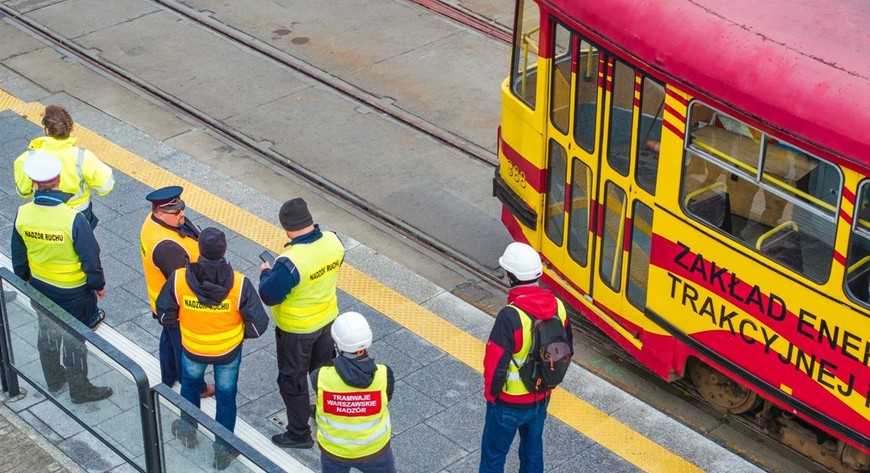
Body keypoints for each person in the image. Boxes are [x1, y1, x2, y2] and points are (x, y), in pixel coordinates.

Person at [155, 227, 269, 470]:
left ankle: (188, 434)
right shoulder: (240, 284)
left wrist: (186, 325)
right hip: (227, 352)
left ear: (199, 250)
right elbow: (259, 325)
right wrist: (238, 336)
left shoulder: (178, 279)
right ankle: (223, 451)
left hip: (193, 349)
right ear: (224, 250)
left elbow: (164, 314)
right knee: (226, 398)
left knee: (189, 386)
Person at [10, 152, 112, 404]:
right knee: (75, 339)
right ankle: (80, 390)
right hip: (74, 293)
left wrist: (25, 279)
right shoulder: (72, 218)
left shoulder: (23, 214)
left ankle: (55, 380)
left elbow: (19, 256)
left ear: (34, 183)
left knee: (46, 332)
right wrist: (98, 285)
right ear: (58, 180)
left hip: (40, 287)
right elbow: (91, 257)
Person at [479, 242, 573, 473]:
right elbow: (568, 348)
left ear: (511, 277)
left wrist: (492, 397)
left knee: (493, 455)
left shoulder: (510, 316)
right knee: (532, 453)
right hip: (542, 396)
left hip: (509, 402)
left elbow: (496, 365)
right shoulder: (558, 307)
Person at [259, 197, 345, 449]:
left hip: (297, 331)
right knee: (324, 373)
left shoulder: (289, 262)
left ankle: (298, 434)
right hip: (328, 321)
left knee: (292, 380)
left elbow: (269, 295)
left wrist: (266, 272)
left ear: (286, 228)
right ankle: (328, 413)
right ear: (310, 220)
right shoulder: (334, 241)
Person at [140, 185, 213, 397]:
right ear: (160, 213)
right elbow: (184, 283)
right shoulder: (165, 246)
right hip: (177, 307)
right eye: (176, 211)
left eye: (182, 207)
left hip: (164, 304)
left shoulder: (156, 221)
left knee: (169, 339)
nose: (182, 213)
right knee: (184, 348)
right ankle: (195, 387)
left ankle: (169, 376)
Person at [311, 311, 396, 473]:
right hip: (375, 451)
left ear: (336, 343)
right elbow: (387, 397)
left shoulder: (319, 377)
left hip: (333, 452)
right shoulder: (384, 374)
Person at [13, 105, 115, 229]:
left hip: (44, 213)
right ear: (70, 129)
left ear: (47, 130)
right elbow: (105, 188)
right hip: (78, 214)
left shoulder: (27, 158)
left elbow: (23, 192)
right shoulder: (83, 157)